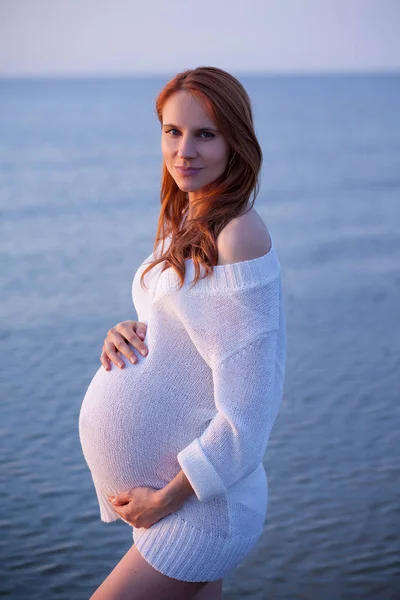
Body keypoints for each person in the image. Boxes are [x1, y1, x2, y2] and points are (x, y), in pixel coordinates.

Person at [79, 65, 287, 600]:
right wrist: (127, 332)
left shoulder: (237, 234)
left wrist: (165, 500)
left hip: (200, 507)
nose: (184, 150)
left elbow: (249, 414)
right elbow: (188, 332)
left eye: (205, 134)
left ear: (235, 141)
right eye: (173, 131)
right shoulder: (190, 220)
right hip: (182, 501)